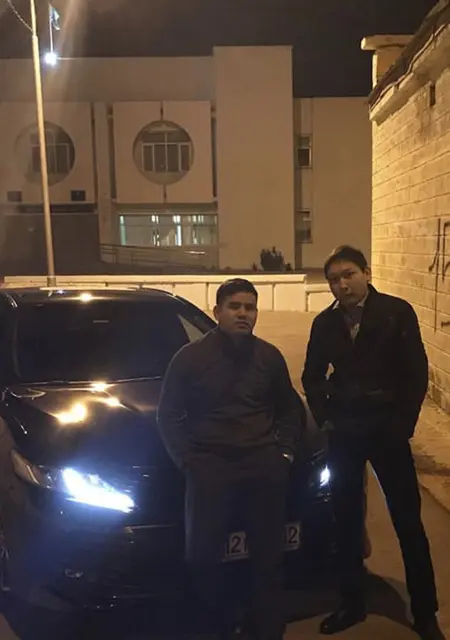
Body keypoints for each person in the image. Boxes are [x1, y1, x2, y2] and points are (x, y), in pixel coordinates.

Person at [302, 246, 444, 640]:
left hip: (387, 431)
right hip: (345, 432)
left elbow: (415, 372)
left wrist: (402, 426)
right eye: (334, 280)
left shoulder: (396, 312)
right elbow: (312, 375)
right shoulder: (325, 323)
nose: (342, 285)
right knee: (345, 520)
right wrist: (325, 417)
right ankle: (351, 603)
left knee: (408, 522)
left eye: (348, 274)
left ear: (366, 273)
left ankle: (425, 611)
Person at [158, 278, 303, 640]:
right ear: (217, 311)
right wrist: (189, 462)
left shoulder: (269, 357)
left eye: (249, 308)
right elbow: (169, 414)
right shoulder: (190, 359)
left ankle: (266, 629)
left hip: (263, 467)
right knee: (202, 558)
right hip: (211, 469)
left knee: (268, 559)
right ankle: (218, 627)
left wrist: (284, 454)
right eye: (234, 307)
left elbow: (289, 409)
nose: (243, 314)